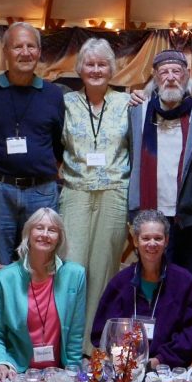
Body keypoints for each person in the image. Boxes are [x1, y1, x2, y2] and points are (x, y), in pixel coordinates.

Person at [0, 22, 64, 265]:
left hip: (41, 192)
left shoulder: (53, 94)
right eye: (17, 46)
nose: (25, 52)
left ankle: (35, 305)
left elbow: (59, 144)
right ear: (5, 52)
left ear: (39, 52)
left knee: (40, 262)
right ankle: (0, 305)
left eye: (31, 46)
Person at [59, 38, 131, 352]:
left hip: (115, 192)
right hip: (75, 191)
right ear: (80, 69)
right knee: (72, 269)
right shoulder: (65, 102)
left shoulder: (128, 102)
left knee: (104, 269)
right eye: (90, 64)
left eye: (103, 64)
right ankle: (67, 342)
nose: (96, 70)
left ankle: (93, 347)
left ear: (112, 69)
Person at [128, 49, 192, 283]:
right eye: (164, 72)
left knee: (190, 276)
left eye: (176, 71)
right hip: (151, 210)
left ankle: (189, 320)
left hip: (189, 210)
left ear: (187, 74)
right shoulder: (138, 110)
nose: (170, 77)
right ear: (155, 76)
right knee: (153, 275)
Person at [0, 208, 86, 382]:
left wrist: (71, 376)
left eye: (52, 230)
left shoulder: (75, 275)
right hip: (17, 371)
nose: (45, 234)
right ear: (28, 233)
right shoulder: (5, 278)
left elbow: (75, 335)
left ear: (59, 238)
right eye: (39, 228)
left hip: (59, 373)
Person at [91, 209, 192, 369]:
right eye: (146, 238)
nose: (152, 243)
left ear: (166, 241)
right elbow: (101, 332)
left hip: (167, 370)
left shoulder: (185, 283)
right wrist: (123, 357)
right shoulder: (119, 283)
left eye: (158, 238)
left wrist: (158, 361)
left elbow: (188, 334)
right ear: (136, 241)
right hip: (124, 369)